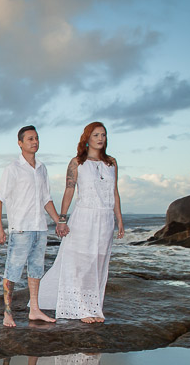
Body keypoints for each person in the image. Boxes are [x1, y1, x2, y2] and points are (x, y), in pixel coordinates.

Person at [37, 121, 124, 323]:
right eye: (95, 135)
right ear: (87, 138)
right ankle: (80, 309)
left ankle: (94, 308)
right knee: (80, 263)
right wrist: (61, 219)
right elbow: (69, 190)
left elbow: (115, 192)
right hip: (84, 217)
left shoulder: (111, 162)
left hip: (105, 219)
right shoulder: (77, 162)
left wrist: (119, 218)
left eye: (103, 135)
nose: (100, 138)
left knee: (99, 263)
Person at [0, 125, 68, 327]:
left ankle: (34, 310)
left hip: (40, 228)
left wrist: (59, 220)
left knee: (36, 270)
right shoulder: (12, 169)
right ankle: (7, 313)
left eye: (36, 138)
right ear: (20, 143)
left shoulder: (42, 168)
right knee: (13, 270)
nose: (34, 142)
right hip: (21, 228)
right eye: (30, 139)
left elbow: (46, 199)